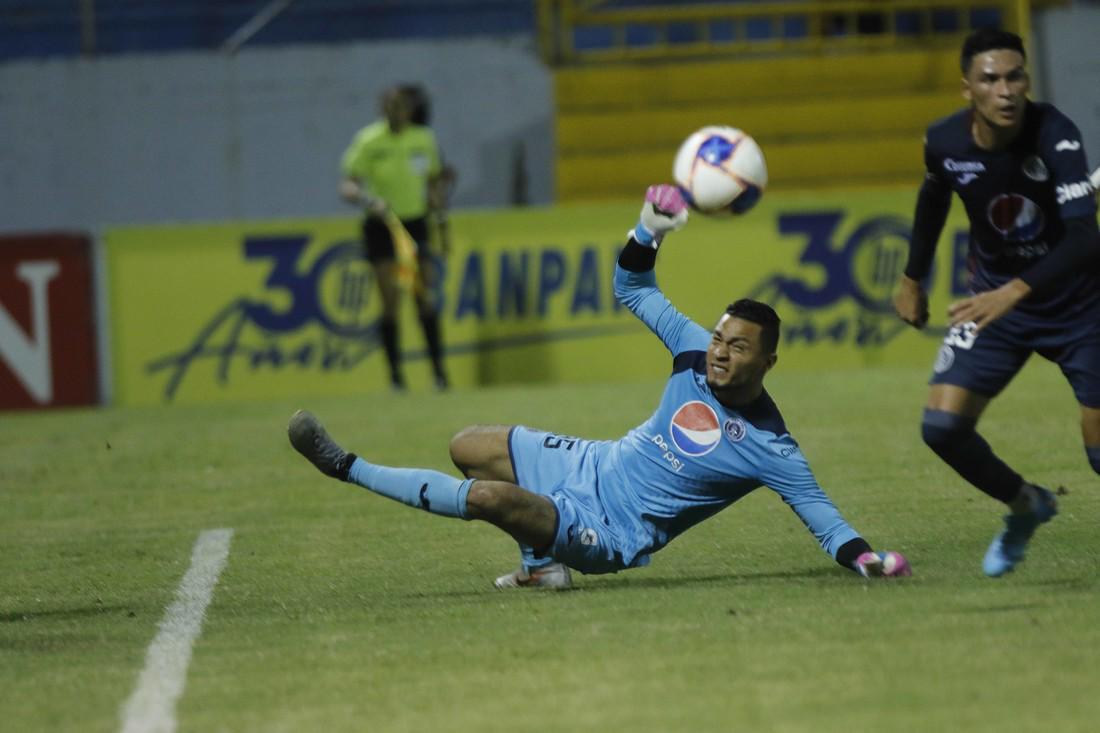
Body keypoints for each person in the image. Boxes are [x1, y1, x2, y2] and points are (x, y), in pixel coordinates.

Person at [288, 184, 911, 589]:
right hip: (593, 462)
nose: (720, 353)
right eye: (720, 339)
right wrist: (649, 229)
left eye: (738, 347)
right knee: (467, 445)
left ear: (768, 363)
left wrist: (868, 560)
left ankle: (346, 466)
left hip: (609, 531)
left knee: (489, 499)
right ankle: (541, 568)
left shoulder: (770, 447)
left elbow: (827, 523)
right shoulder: (693, 351)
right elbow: (634, 288)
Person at [893, 28, 1100, 577]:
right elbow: (935, 195)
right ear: (968, 89)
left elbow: (1085, 237)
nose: (1006, 91)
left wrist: (1011, 292)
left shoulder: (1055, 133)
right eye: (991, 79)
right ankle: (1027, 504)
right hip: (996, 308)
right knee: (941, 429)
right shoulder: (942, 141)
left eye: (1015, 77)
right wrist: (912, 277)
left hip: (1081, 309)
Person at [340, 84, 450, 391]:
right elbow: (347, 186)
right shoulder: (368, 140)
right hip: (382, 226)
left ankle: (439, 374)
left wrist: (437, 204)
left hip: (415, 224)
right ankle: (396, 377)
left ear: (410, 109)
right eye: (390, 105)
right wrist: (367, 200)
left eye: (401, 106)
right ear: (382, 108)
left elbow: (432, 182)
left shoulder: (423, 139)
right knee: (390, 300)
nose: (396, 111)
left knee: (423, 297)